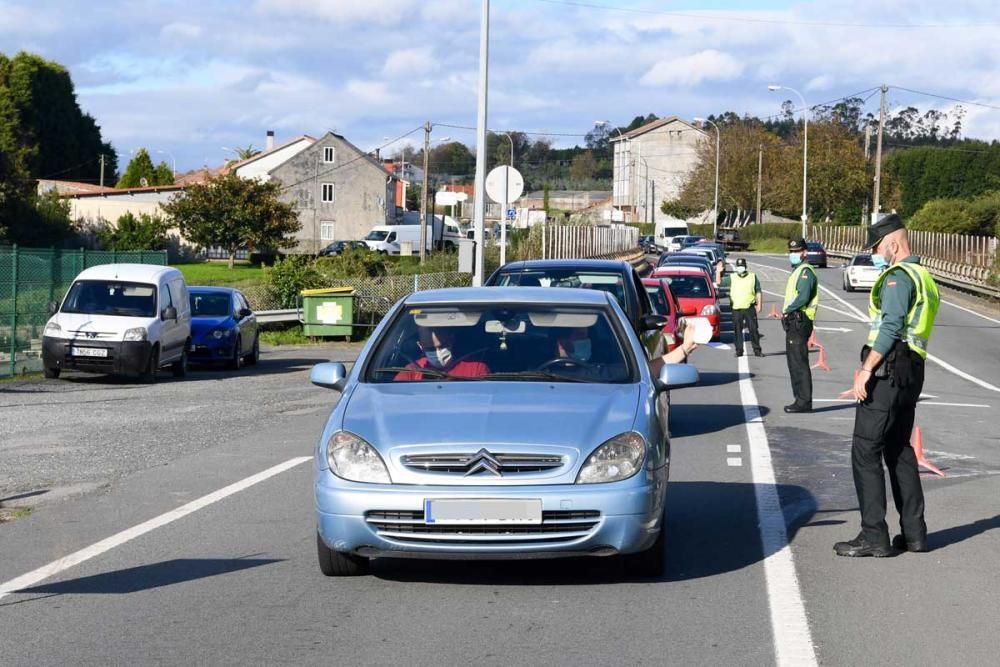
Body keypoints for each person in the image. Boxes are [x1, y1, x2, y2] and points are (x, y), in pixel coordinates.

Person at [834, 214, 940, 558]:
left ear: (893, 243)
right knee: (899, 449)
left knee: (865, 450)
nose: (876, 253)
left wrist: (866, 369)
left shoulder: (898, 277)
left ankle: (873, 535)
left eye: (878, 247)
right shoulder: (924, 275)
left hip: (889, 371)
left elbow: (892, 324)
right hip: (912, 372)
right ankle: (914, 534)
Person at [781, 238, 819, 413]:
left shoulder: (805, 272)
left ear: (804, 252)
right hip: (795, 320)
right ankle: (800, 399)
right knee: (794, 361)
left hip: (800, 320)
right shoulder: (798, 270)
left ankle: (803, 401)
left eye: (796, 251)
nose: (793, 254)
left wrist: (788, 310)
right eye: (791, 251)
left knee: (799, 362)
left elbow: (803, 297)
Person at [394, 326, 489, 381]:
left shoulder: (476, 369)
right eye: (430, 348)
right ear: (421, 346)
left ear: (451, 340)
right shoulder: (410, 372)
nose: (438, 353)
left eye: (442, 346)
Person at [729, 257, 763, 358]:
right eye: (738, 266)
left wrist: (759, 304)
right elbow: (719, 282)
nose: (740, 268)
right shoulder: (732, 277)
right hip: (736, 308)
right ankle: (739, 350)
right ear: (736, 267)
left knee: (753, 329)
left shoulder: (753, 277)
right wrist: (718, 272)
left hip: (749, 307)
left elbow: (758, 291)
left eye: (742, 266)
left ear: (745, 267)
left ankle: (757, 350)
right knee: (737, 330)